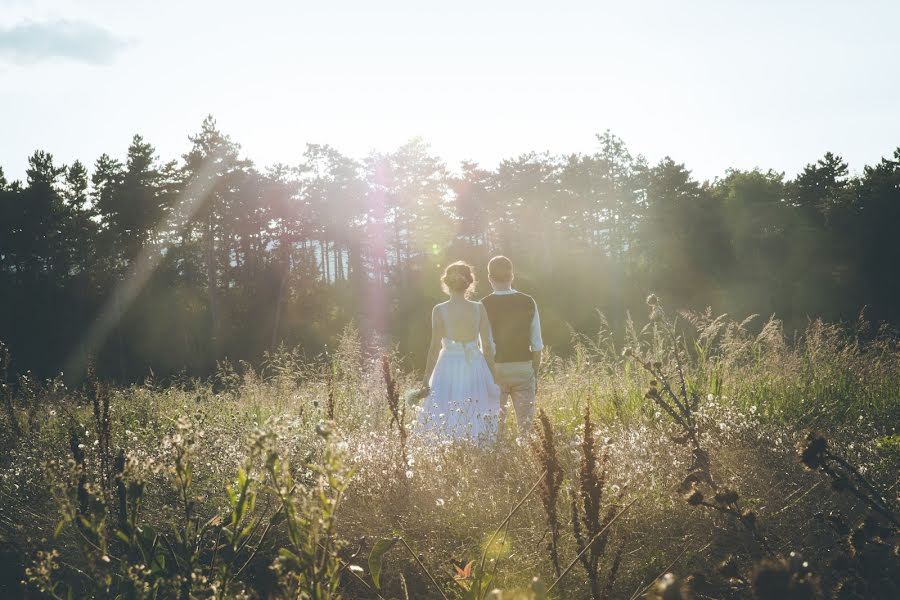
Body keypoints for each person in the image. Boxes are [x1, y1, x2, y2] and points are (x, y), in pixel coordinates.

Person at [419, 261, 501, 442]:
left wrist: (426, 380)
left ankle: (449, 451)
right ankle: (477, 451)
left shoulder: (439, 310)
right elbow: (487, 346)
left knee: (444, 411)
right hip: (475, 366)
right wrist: (492, 377)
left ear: (446, 283)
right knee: (476, 411)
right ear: (469, 283)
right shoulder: (479, 308)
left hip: (447, 365)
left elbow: (434, 348)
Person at [481, 256, 543, 436]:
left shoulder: (483, 305)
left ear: (489, 278)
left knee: (495, 430)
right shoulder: (528, 301)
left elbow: (486, 346)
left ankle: (500, 461)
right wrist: (534, 375)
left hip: (496, 371)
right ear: (512, 276)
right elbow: (537, 345)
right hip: (524, 369)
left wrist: (489, 373)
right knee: (526, 429)